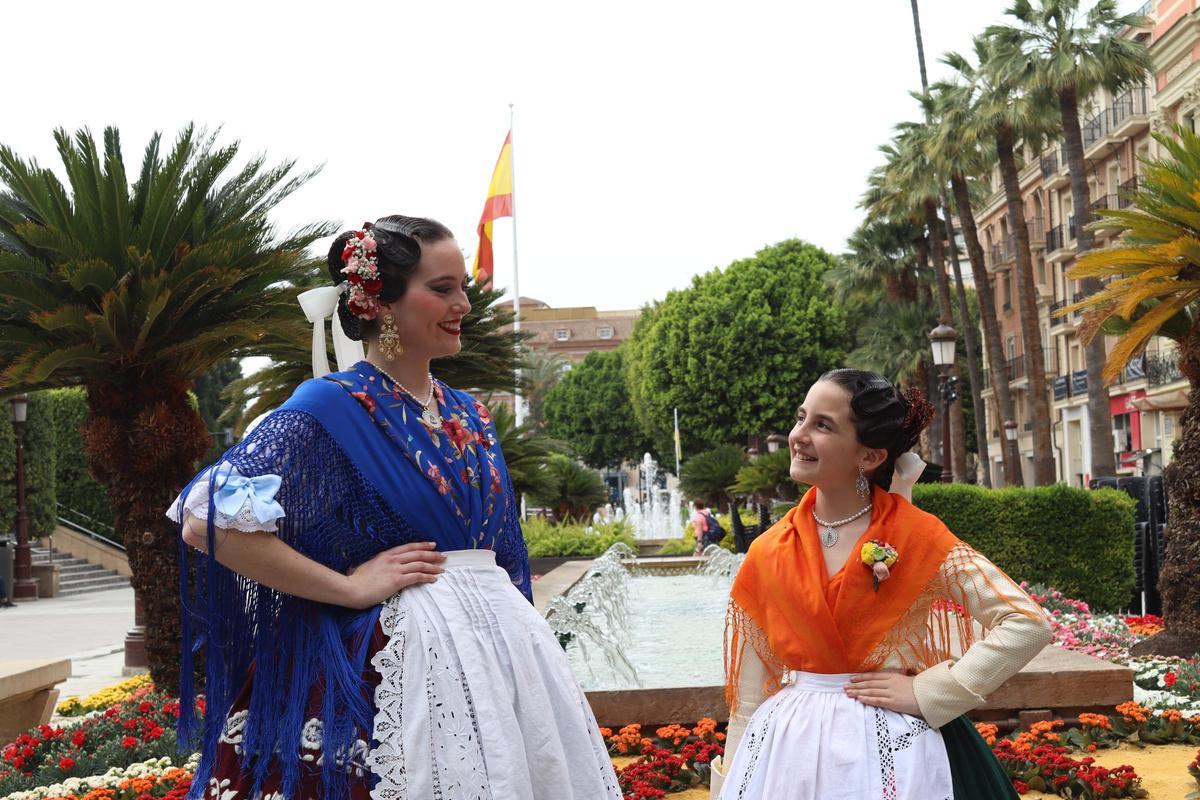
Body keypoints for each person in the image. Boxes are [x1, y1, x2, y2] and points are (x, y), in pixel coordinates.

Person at [170, 215, 620, 800]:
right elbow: (206, 521)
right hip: (393, 666)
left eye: (463, 287)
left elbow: (504, 554)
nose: (462, 303)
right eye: (442, 289)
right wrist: (349, 587)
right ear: (379, 302)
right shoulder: (326, 408)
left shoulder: (471, 414)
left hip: (501, 667)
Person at [710, 369, 1052, 799]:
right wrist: (728, 787)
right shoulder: (767, 552)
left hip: (903, 752)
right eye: (802, 417)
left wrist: (931, 692)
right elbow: (744, 704)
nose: (799, 435)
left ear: (869, 456)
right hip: (789, 754)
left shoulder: (917, 535)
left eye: (823, 425)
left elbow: (1026, 623)